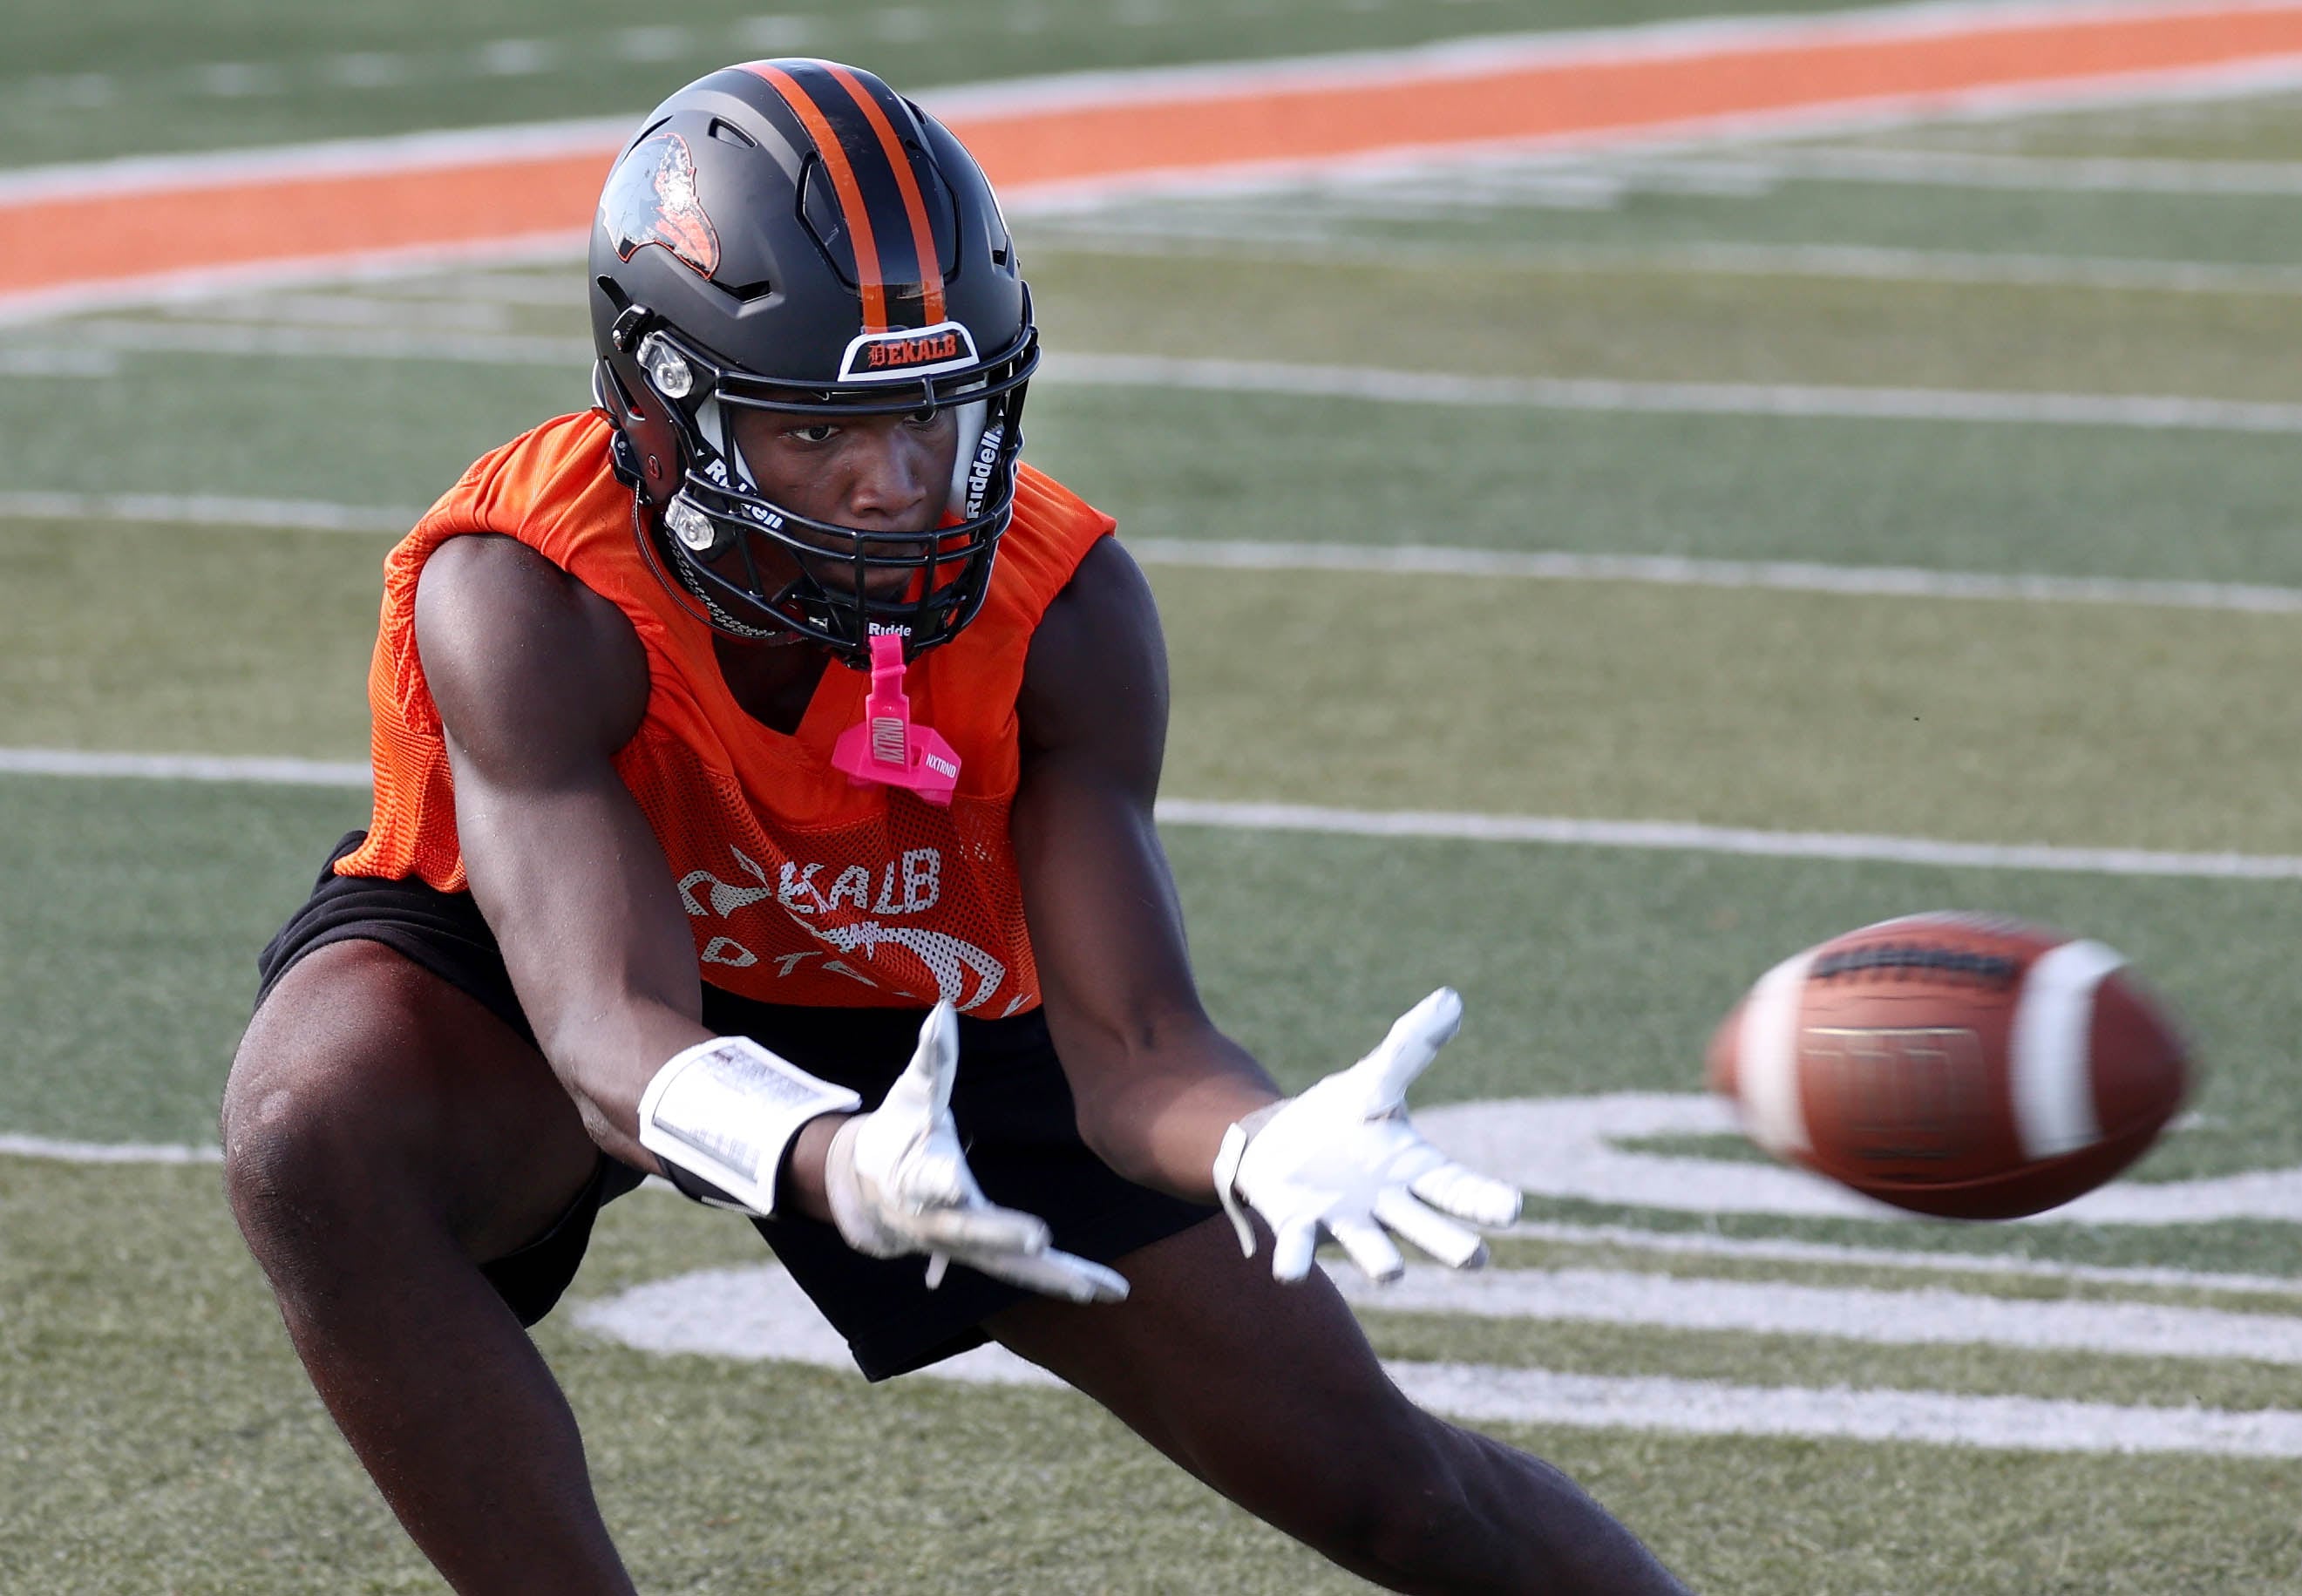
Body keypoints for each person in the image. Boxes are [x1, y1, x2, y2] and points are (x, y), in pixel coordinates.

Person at [221, 59, 1690, 1595]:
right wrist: (830, 1162)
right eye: (812, 435)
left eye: (931, 413)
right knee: (314, 1131)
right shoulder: (531, 590)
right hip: (562, 945)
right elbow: (607, 1036)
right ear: (660, 408)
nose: (893, 486)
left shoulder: (1065, 610)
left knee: (1396, 1493)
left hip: (904, 988)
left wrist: (1256, 1136)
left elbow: (1135, 1056)